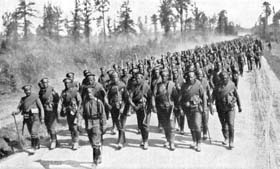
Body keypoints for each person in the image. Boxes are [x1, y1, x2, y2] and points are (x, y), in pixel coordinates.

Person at [212, 71, 242, 149]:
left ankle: (231, 141)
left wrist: (239, 106)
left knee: (231, 124)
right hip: (220, 108)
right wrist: (210, 105)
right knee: (224, 125)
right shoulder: (217, 87)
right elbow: (212, 97)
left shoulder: (231, 85)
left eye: (226, 78)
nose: (224, 79)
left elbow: (236, 95)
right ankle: (226, 137)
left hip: (230, 108)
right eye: (223, 78)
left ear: (228, 78)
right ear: (220, 79)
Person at [13, 85, 45, 152]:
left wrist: (42, 118)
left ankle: (33, 147)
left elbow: (41, 107)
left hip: (35, 117)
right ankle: (37, 142)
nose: (28, 91)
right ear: (24, 91)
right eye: (26, 90)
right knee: (32, 133)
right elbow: (19, 109)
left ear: (31, 90)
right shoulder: (23, 99)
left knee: (33, 132)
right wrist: (15, 112)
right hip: (27, 118)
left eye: (29, 90)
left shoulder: (35, 97)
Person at [152, 69, 178, 151]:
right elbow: (153, 95)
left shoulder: (172, 85)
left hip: (170, 108)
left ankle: (172, 142)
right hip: (161, 108)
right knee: (165, 125)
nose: (164, 77)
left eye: (165, 76)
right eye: (162, 76)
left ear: (168, 77)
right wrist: (153, 105)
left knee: (171, 126)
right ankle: (167, 139)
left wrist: (177, 107)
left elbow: (176, 97)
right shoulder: (158, 85)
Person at [180, 71, 206, 152]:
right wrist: (182, 107)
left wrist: (204, 107)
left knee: (197, 126)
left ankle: (199, 143)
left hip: (196, 108)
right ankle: (194, 141)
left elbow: (203, 96)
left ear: (195, 77)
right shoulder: (184, 86)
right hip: (187, 109)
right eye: (188, 77)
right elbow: (181, 98)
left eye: (192, 77)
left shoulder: (198, 85)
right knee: (191, 126)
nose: (190, 78)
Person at [83, 87, 107, 165]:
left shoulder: (98, 102)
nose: (89, 94)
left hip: (96, 122)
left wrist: (103, 125)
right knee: (92, 142)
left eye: (90, 93)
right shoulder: (85, 102)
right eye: (88, 93)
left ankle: (95, 161)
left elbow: (103, 114)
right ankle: (99, 155)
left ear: (93, 93)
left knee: (95, 143)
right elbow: (82, 113)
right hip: (88, 123)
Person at [57, 78, 82, 150]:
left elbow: (80, 101)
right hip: (68, 112)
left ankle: (76, 141)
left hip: (75, 111)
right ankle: (73, 139)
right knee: (71, 127)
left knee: (75, 127)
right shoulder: (63, 92)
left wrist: (78, 110)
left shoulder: (75, 91)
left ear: (71, 83)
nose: (66, 84)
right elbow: (60, 102)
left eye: (68, 83)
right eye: (65, 83)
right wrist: (59, 111)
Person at [128, 73, 152, 150]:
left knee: (145, 125)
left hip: (145, 107)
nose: (137, 79)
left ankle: (146, 141)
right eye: (136, 78)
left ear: (142, 78)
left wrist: (149, 107)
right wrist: (133, 106)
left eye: (139, 78)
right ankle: (143, 138)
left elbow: (150, 97)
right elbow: (130, 98)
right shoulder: (134, 87)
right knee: (140, 124)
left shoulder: (146, 86)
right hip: (137, 107)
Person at [106, 71, 128, 149]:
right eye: (112, 77)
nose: (114, 79)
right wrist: (108, 105)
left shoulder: (122, 85)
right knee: (117, 123)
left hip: (122, 106)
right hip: (113, 107)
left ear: (118, 77)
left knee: (121, 124)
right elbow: (107, 96)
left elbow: (126, 98)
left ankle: (120, 141)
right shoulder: (109, 86)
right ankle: (123, 138)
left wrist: (123, 107)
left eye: (115, 77)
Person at [38, 78, 60, 150]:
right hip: (45, 111)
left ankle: (53, 141)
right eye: (43, 83)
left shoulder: (51, 90)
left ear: (48, 82)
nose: (45, 84)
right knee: (48, 126)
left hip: (51, 110)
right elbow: (40, 101)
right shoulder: (41, 92)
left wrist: (53, 104)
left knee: (51, 126)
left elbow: (57, 99)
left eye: (46, 82)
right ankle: (55, 140)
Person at [196, 69, 212, 140]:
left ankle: (205, 133)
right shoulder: (195, 82)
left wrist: (210, 101)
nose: (200, 76)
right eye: (198, 75)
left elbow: (208, 91)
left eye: (201, 74)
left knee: (205, 119)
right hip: (197, 102)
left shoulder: (205, 81)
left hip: (205, 101)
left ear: (202, 75)